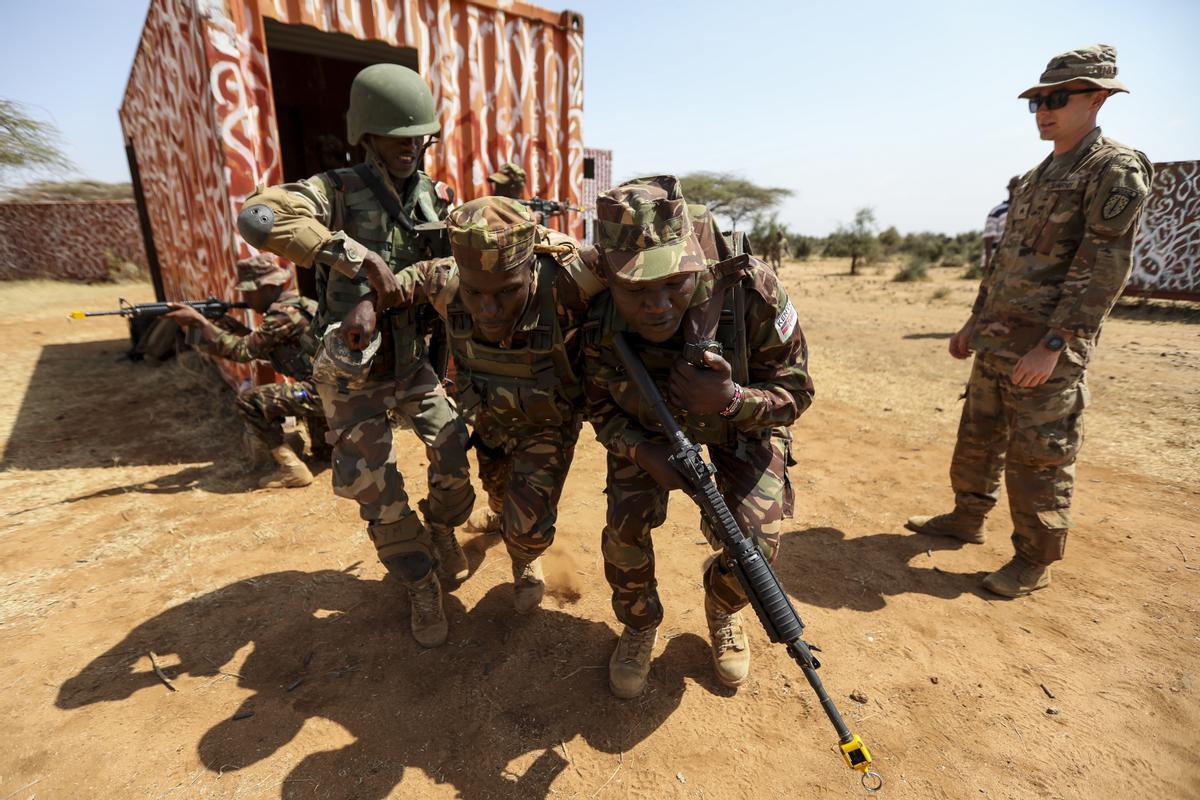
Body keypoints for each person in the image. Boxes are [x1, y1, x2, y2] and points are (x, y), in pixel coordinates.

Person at [235, 63, 475, 647]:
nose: (411, 150)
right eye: (399, 140)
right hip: (352, 373)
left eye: (420, 139)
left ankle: (441, 527)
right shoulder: (334, 190)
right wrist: (356, 258)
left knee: (452, 453)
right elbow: (258, 216)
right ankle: (418, 581)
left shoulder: (436, 195)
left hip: (413, 360)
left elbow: (453, 268)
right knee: (377, 490)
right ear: (367, 135)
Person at [906, 44, 1153, 598]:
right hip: (998, 337)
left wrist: (1056, 344)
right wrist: (974, 320)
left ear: (1096, 99)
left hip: (1044, 344)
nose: (1044, 110)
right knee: (979, 436)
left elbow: (1103, 267)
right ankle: (966, 518)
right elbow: (1006, 259)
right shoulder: (1036, 175)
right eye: (1038, 101)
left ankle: (1032, 560)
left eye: (1057, 99)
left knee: (1040, 454)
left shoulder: (1112, 168)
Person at [583, 175, 813, 697]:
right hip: (647, 431)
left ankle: (724, 604)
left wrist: (733, 400)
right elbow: (597, 407)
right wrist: (641, 452)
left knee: (756, 542)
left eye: (673, 283)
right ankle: (639, 623)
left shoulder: (750, 290)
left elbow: (796, 393)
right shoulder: (594, 311)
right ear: (608, 278)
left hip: (739, 426)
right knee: (624, 536)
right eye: (637, 289)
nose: (658, 305)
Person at [372, 197, 604, 612]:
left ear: (531, 267)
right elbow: (405, 279)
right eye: (475, 293)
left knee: (528, 529)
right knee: (496, 490)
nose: (488, 309)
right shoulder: (446, 281)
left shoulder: (572, 280)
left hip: (548, 423)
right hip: (489, 420)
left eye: (507, 292)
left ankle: (525, 555)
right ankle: (502, 518)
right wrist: (363, 308)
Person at [165, 254, 326, 488]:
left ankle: (291, 469)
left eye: (249, 291)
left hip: (317, 393)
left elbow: (241, 352)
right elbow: (264, 347)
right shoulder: (300, 306)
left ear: (267, 287)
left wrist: (202, 324)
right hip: (331, 389)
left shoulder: (282, 316)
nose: (245, 298)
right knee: (324, 455)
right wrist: (228, 327)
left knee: (248, 401)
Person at [980, 177, 1020, 274]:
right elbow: (989, 237)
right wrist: (988, 259)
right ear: (1009, 189)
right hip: (998, 259)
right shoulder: (997, 211)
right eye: (1015, 187)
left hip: (1018, 260)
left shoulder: (1028, 210)